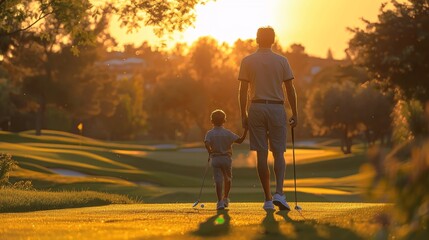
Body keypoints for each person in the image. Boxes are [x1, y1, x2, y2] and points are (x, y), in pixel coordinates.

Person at [238, 26, 298, 210]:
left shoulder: (247, 60)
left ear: (257, 39)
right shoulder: (282, 61)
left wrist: (243, 114)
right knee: (279, 152)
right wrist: (295, 113)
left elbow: (242, 91)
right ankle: (279, 192)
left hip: (256, 107)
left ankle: (268, 199)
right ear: (273, 40)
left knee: (262, 154)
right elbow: (290, 89)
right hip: (277, 108)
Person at [204, 109, 248, 210]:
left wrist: (210, 151)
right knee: (227, 178)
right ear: (224, 120)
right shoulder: (227, 133)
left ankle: (219, 202)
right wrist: (246, 130)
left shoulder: (210, 133)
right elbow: (240, 140)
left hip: (215, 158)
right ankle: (225, 198)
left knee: (218, 180)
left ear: (212, 121)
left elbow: (206, 143)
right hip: (226, 159)